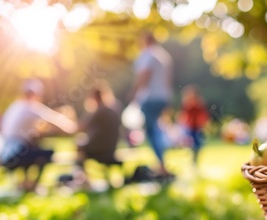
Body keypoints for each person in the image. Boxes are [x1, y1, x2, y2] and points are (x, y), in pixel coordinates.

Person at [0, 78, 77, 192]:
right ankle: (33, 185)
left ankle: (25, 183)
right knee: (48, 153)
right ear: (34, 94)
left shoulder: (15, 106)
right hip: (14, 154)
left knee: (33, 149)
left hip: (5, 153)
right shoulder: (31, 107)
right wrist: (73, 128)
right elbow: (55, 120)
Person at [127, 30, 174, 176]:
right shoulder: (164, 56)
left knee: (152, 132)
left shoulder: (148, 55)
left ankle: (162, 165)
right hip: (163, 97)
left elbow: (144, 76)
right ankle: (162, 164)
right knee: (158, 130)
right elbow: (168, 79)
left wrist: (133, 94)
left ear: (145, 41)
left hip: (150, 98)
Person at [74, 80, 123, 188]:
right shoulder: (113, 109)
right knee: (82, 142)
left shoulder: (100, 111)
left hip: (99, 150)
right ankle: (84, 178)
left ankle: (83, 179)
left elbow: (80, 127)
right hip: (111, 148)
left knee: (79, 145)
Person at [177, 84, 210, 164]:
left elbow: (203, 114)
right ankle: (190, 159)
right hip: (189, 126)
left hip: (198, 127)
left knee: (198, 144)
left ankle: (195, 159)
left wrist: (204, 123)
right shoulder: (186, 103)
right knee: (189, 143)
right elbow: (183, 114)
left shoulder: (199, 102)